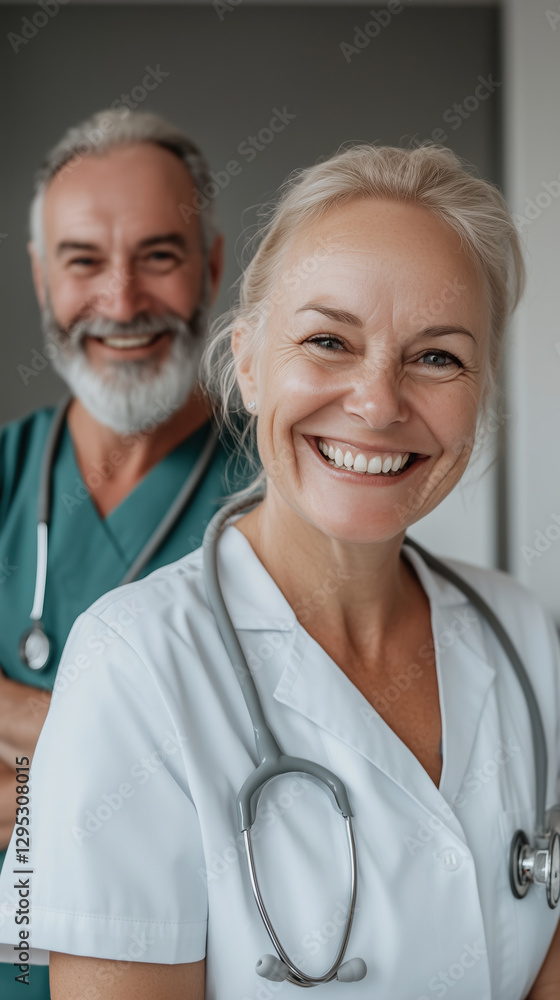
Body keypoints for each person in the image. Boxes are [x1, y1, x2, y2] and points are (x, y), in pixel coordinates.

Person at [0, 142, 558, 1000]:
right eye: (329, 339)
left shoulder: (524, 636)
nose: (378, 402)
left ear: (481, 390)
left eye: (438, 355)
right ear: (250, 365)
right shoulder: (132, 662)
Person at [0, 109, 252, 999]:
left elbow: (303, 772)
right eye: (82, 261)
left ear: (212, 266)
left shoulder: (291, 494)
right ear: (41, 277)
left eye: (158, 255)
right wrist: (150, 766)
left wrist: (46, 752)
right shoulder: (6, 474)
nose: (119, 301)